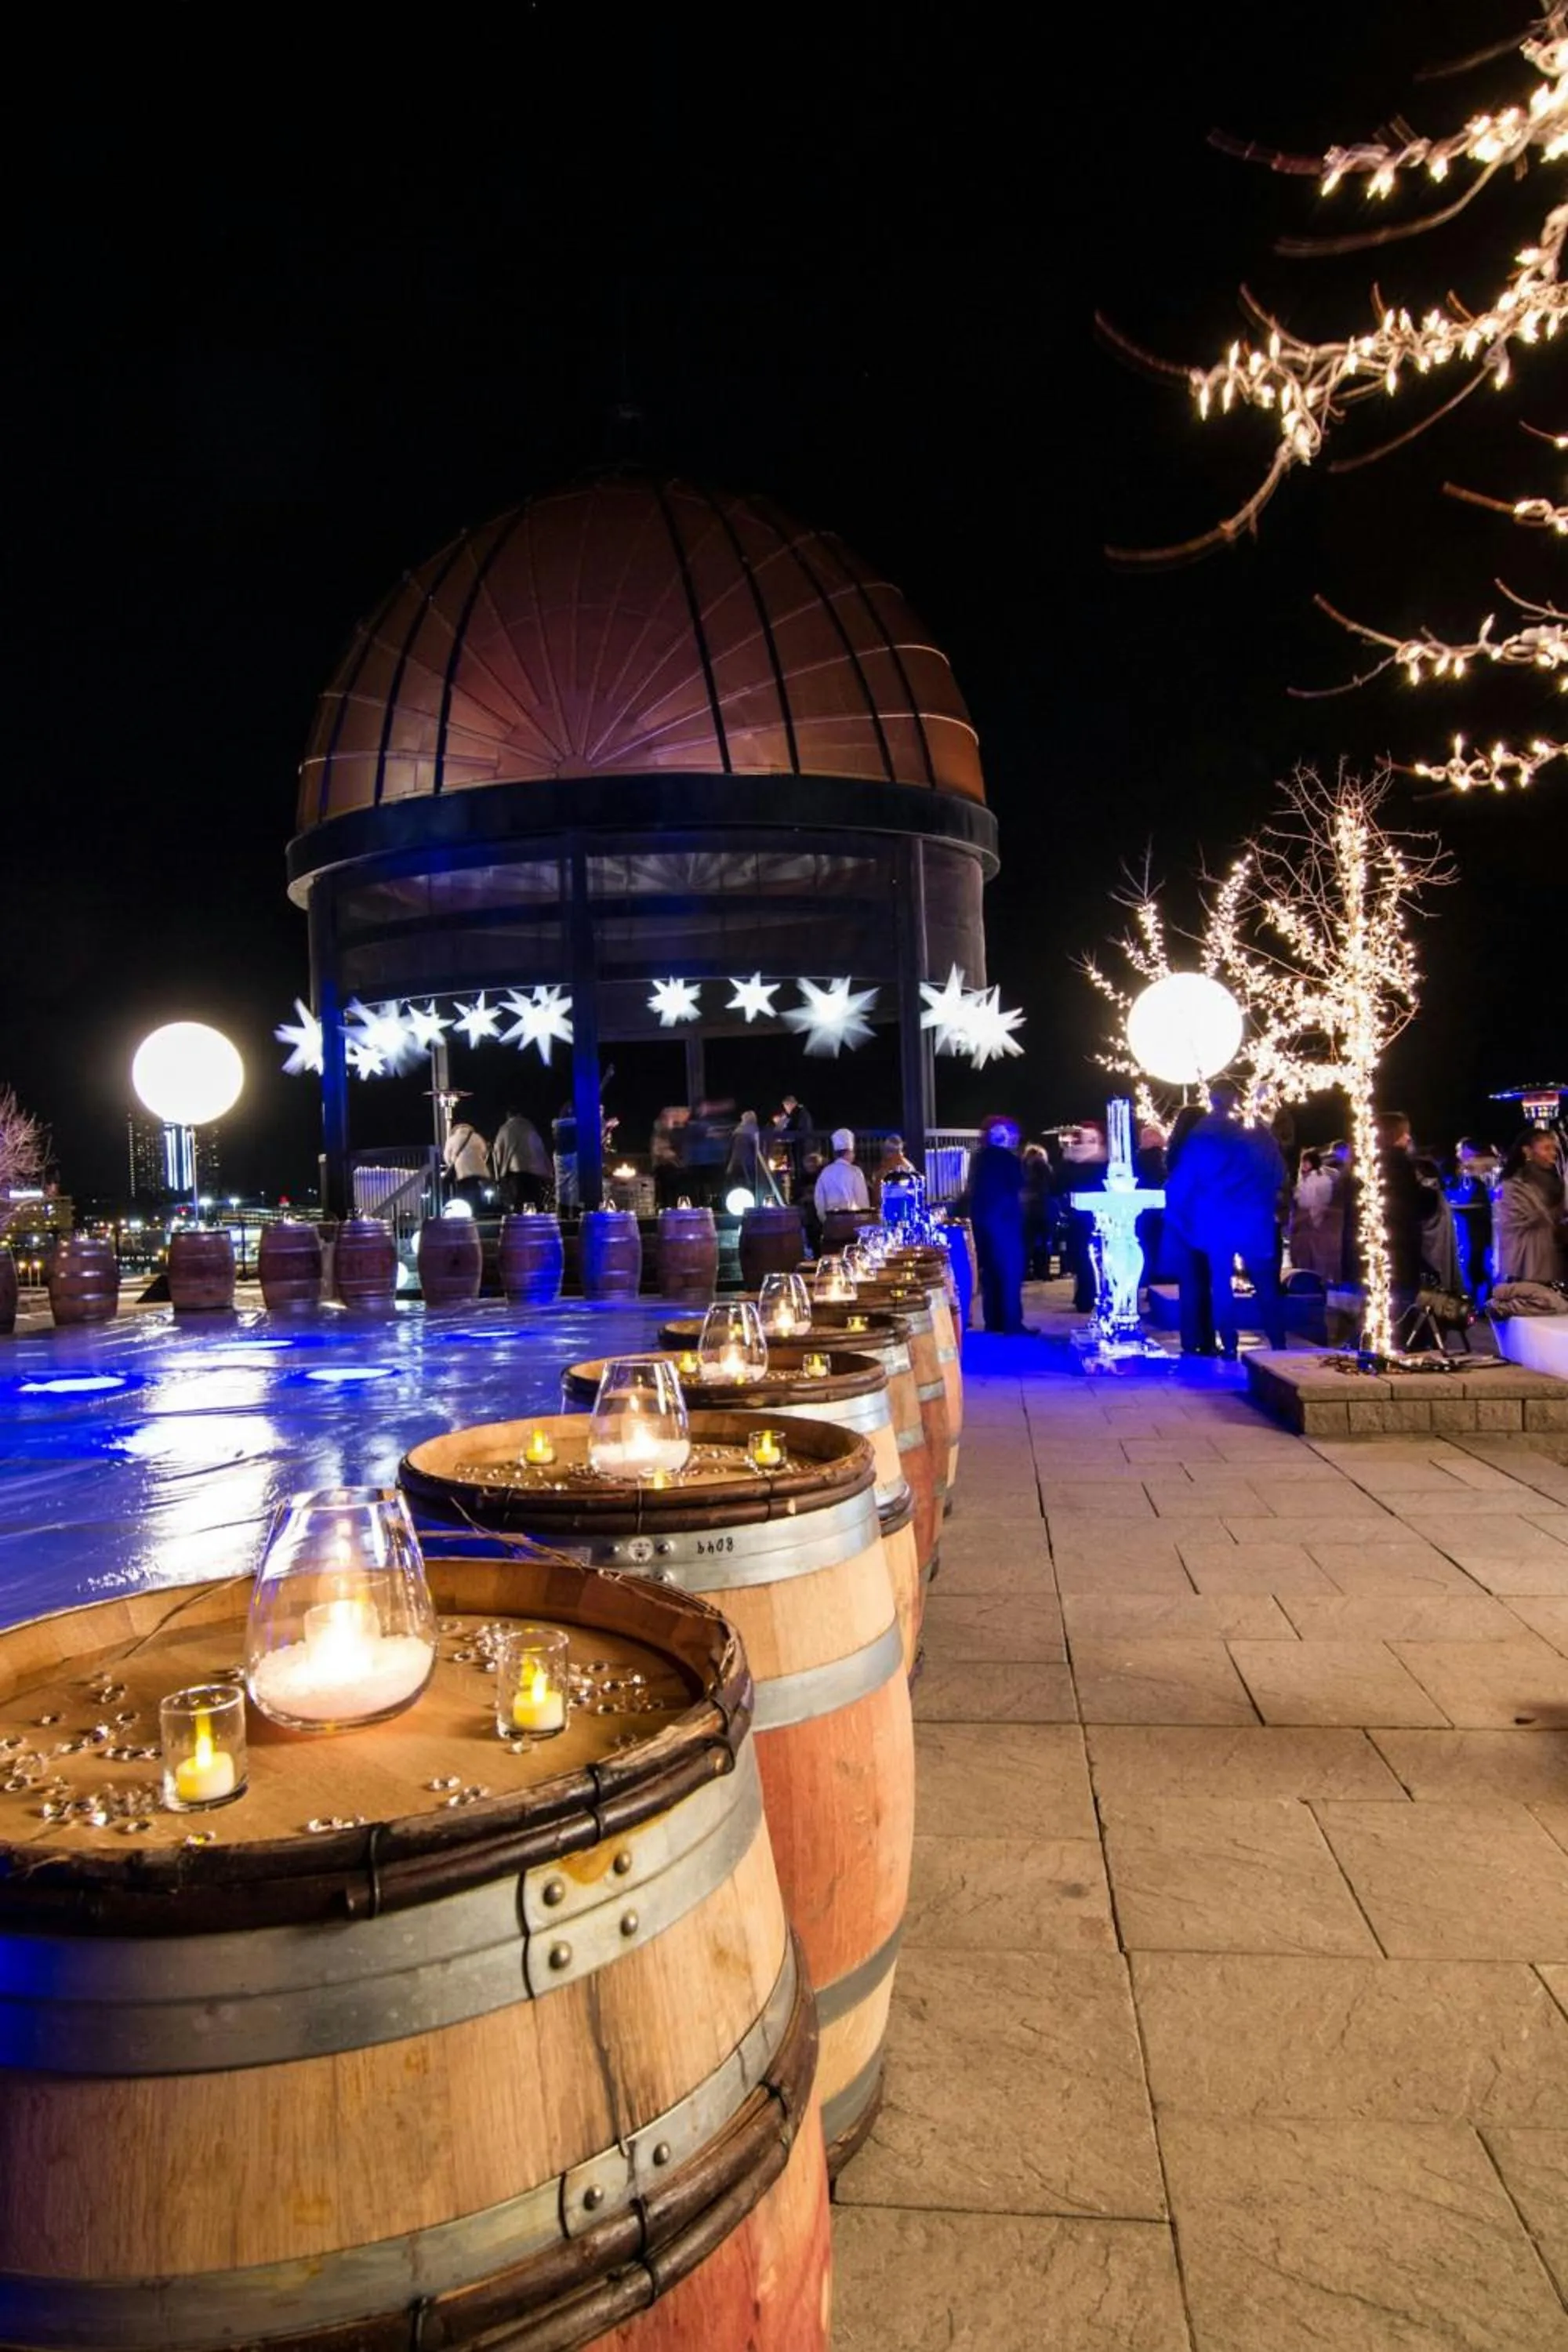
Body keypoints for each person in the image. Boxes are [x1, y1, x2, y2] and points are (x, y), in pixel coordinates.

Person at [1163, 1079, 1287, 1358]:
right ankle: (1278, 1344)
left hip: (1217, 1220)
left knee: (1222, 1284)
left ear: (1213, 1100)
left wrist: (1180, 1216)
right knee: (1266, 1284)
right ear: (1235, 1099)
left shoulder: (1202, 1134)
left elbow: (1183, 1181)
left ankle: (1230, 1344)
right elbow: (1279, 1173)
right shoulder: (1256, 1132)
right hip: (1254, 1218)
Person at [966, 1116, 1029, 1334]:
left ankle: (993, 1321)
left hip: (983, 1223)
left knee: (990, 1275)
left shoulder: (980, 1159)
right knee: (1010, 1272)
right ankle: (1012, 1323)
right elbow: (1020, 1184)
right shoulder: (1008, 1160)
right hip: (1005, 1224)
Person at [1495, 1128, 1568, 1284]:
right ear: (1527, 1151)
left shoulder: (1556, 1182)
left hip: (1554, 1260)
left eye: (1554, 1149)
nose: (1553, 1154)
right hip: (1526, 1263)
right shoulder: (1512, 1186)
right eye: (1546, 1148)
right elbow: (1513, 1221)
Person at [1288, 1148, 1340, 1281]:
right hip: (1302, 1218)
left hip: (1312, 1218)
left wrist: (1315, 1217)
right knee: (1300, 1252)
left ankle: (1315, 1279)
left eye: (1307, 1162)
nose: (1304, 1165)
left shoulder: (1321, 1180)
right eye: (1303, 1162)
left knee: (1313, 1253)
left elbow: (1323, 1200)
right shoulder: (1302, 1178)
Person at [491, 1105, 550, 1210]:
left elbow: (498, 1149)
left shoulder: (505, 1128)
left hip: (516, 1168)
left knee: (518, 1199)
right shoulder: (529, 1126)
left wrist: (501, 1170)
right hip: (534, 1169)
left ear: (508, 1116)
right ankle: (541, 1222)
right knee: (536, 1198)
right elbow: (539, 1147)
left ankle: (517, 1223)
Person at [813, 1128, 869, 1219]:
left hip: (832, 1223)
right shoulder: (855, 1172)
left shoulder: (825, 1173)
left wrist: (825, 1222)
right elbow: (863, 1203)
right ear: (849, 1152)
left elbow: (819, 1202)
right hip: (853, 1221)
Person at [442, 1113, 492, 1207]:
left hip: (462, 1169)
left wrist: (452, 1163)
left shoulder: (452, 1139)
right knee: (476, 1188)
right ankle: (477, 1209)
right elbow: (485, 1152)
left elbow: (447, 1156)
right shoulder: (477, 1137)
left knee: (463, 1190)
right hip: (478, 1169)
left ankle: (465, 1209)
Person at [727, 1111, 768, 1196]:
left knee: (736, 1185)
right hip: (749, 1162)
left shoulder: (737, 1131)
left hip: (735, 1162)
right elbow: (757, 1148)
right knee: (750, 1185)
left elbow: (732, 1150)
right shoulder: (754, 1130)